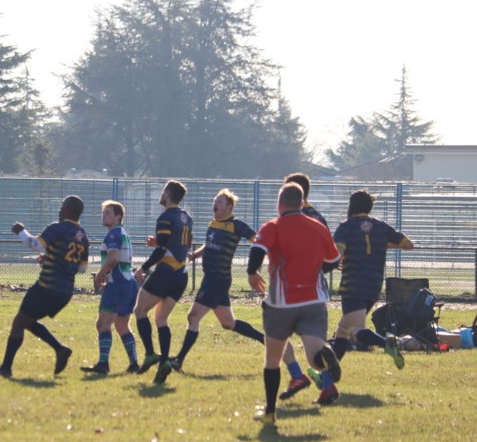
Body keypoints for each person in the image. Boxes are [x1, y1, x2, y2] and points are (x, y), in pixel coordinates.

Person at [167, 189, 303, 380]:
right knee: (228, 323)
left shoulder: (237, 225)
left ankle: (179, 360)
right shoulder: (214, 224)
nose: (216, 203)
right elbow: (209, 245)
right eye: (215, 200)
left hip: (217, 279)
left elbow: (258, 240)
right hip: (213, 279)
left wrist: (271, 256)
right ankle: (264, 339)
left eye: (220, 201)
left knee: (193, 316)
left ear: (229, 207)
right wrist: (194, 255)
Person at [247, 182, 343, 425]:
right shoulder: (318, 226)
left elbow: (257, 250)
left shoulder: (273, 226)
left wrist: (252, 272)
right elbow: (333, 259)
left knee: (272, 359)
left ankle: (269, 412)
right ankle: (326, 353)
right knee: (314, 359)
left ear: (280, 204)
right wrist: (315, 267)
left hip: (282, 303)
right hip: (313, 300)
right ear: (302, 203)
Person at [0, 195, 89, 378]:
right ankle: (60, 349)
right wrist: (52, 258)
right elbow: (82, 268)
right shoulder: (83, 235)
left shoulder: (57, 228)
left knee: (19, 322)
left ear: (65, 210)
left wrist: (20, 231)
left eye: (61, 207)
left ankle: (6, 369)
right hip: (65, 292)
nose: (59, 210)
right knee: (28, 321)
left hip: (46, 287)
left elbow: (34, 245)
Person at [331, 189, 414, 369]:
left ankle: (387, 343)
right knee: (343, 331)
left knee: (355, 331)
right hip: (373, 287)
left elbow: (337, 252)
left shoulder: (347, 226)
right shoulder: (381, 226)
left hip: (353, 286)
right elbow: (408, 244)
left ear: (351, 206)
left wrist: (334, 260)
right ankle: (328, 372)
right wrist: (382, 244)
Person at [132, 180, 193, 385]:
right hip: (181, 274)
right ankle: (164, 361)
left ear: (167, 194)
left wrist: (143, 268)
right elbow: (181, 243)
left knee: (140, 311)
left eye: (162, 191)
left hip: (165, 272)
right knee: (161, 320)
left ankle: (150, 354)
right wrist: (159, 242)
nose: (161, 194)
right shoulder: (186, 217)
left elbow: (161, 250)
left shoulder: (165, 217)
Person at [80, 200, 139, 375]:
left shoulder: (113, 234)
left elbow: (113, 258)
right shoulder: (123, 233)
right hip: (128, 284)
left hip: (117, 286)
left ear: (118, 217)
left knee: (103, 324)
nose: (103, 215)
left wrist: (100, 274)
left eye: (107, 213)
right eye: (103, 212)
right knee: (122, 325)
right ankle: (134, 363)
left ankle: (103, 364)